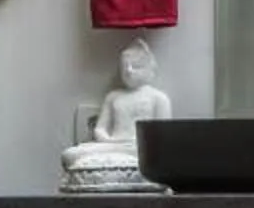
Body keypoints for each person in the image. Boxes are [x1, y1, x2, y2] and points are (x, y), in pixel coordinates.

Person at [60, 39, 171, 190]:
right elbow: (100, 129)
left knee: (155, 159)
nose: (129, 71)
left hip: (138, 148)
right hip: (113, 145)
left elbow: (163, 138)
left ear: (149, 68)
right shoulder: (114, 96)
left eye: (136, 66)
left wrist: (139, 143)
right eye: (125, 67)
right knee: (69, 155)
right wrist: (107, 140)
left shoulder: (158, 98)